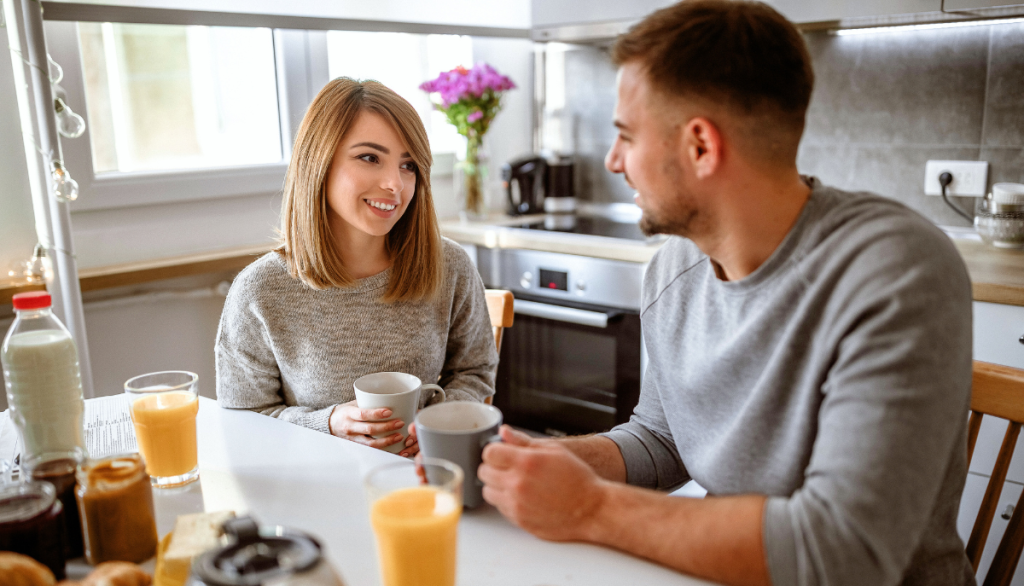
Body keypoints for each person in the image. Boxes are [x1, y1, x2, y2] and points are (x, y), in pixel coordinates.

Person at [478, 2, 975, 585]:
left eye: (626, 135)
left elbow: (844, 554)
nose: (613, 161)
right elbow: (662, 440)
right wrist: (537, 465)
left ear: (700, 147)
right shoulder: (674, 270)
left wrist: (589, 507)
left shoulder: (895, 272)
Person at [216, 78, 498, 457]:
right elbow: (243, 420)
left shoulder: (450, 267)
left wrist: (435, 424)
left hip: (420, 483)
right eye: (370, 157)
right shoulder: (259, 291)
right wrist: (327, 425)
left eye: (409, 165)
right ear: (320, 161)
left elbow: (475, 372)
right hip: (314, 491)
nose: (394, 184)